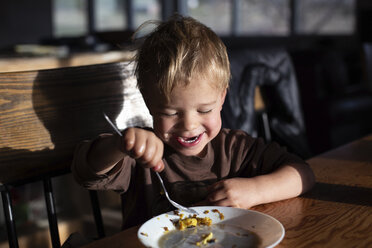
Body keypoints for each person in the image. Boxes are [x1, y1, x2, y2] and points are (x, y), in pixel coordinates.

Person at [71, 14, 315, 229]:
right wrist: (119, 145)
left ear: (222, 99)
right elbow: (86, 172)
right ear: (149, 103)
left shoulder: (236, 150)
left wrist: (254, 191)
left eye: (204, 109)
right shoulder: (139, 155)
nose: (188, 124)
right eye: (170, 113)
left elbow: (302, 174)